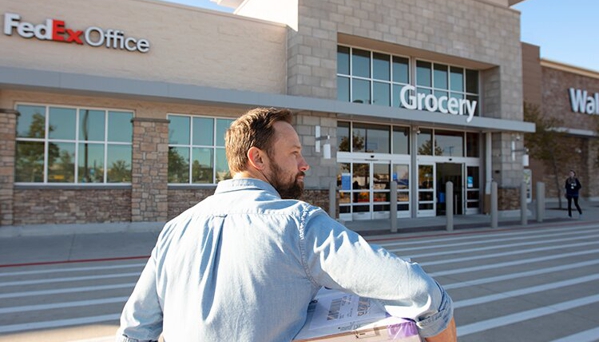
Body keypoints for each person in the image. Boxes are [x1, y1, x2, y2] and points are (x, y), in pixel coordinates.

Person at [116, 107, 456, 342]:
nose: (304, 164)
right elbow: (423, 294)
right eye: (294, 153)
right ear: (257, 158)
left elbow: (135, 330)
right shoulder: (297, 223)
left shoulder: (176, 228)